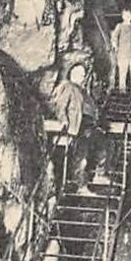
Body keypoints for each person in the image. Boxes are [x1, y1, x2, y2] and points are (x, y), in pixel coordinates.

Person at [49, 65, 109, 194]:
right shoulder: (68, 87)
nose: (83, 76)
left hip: (89, 125)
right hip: (79, 126)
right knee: (81, 156)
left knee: (103, 144)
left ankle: (99, 175)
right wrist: (64, 120)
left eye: (84, 74)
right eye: (80, 74)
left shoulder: (83, 91)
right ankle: (81, 186)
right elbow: (60, 106)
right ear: (72, 74)